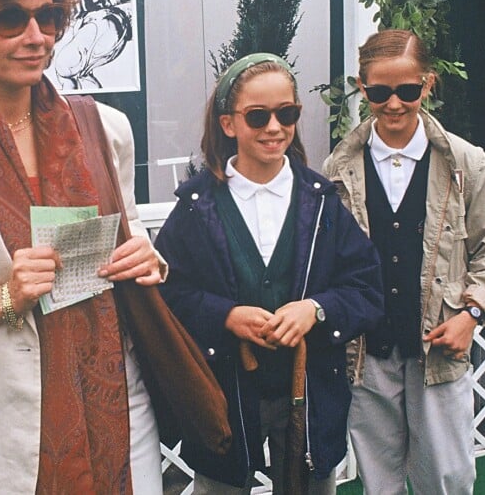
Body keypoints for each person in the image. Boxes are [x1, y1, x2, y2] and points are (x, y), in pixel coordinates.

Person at [0, 0, 165, 494]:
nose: (37, 36)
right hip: (0, 436)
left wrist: (148, 260)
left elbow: (130, 245)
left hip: (117, 409)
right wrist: (0, 300)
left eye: (49, 16)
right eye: (10, 18)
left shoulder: (105, 130)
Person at [154, 53, 384, 494]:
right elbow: (167, 293)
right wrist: (225, 316)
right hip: (224, 395)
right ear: (228, 124)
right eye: (257, 116)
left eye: (287, 113)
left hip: (311, 394)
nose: (274, 127)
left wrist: (316, 309)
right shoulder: (196, 207)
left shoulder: (321, 203)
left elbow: (366, 287)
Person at [323, 29, 485, 495]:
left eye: (407, 90)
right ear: (363, 89)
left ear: (428, 84)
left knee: (445, 480)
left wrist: (472, 313)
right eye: (380, 92)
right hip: (367, 354)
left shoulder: (466, 164)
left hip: (439, 352)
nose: (394, 104)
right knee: (378, 483)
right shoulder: (339, 168)